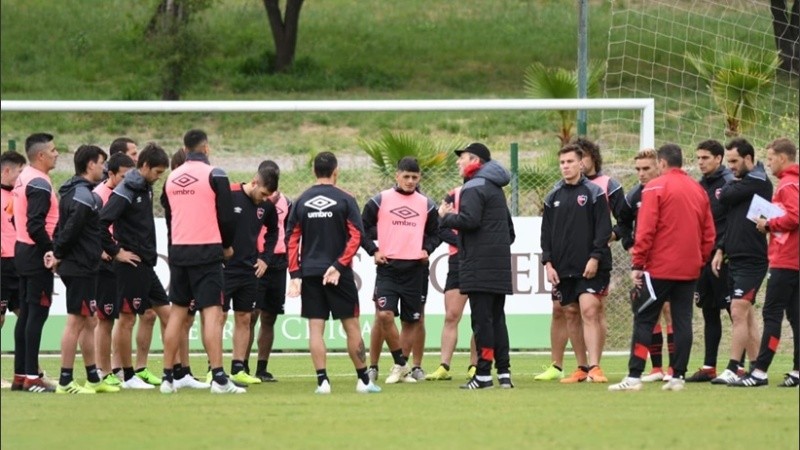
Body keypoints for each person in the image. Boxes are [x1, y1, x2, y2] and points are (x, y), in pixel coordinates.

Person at [609, 143, 715, 392]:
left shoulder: (655, 187)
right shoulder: (698, 189)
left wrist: (638, 263)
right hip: (689, 268)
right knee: (682, 320)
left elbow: (646, 229)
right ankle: (678, 376)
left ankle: (634, 376)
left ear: (662, 163)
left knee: (644, 318)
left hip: (659, 268)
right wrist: (699, 260)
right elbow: (709, 233)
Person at [285, 151, 381, 394]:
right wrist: (338, 266)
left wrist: (295, 274)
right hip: (340, 274)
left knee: (315, 328)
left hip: (310, 273)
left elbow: (291, 239)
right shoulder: (345, 199)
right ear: (336, 171)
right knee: (352, 327)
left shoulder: (301, 200)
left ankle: (323, 382)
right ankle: (363, 381)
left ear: (314, 171)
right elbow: (356, 236)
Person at [161, 129, 242, 394]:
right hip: (207, 250)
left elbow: (170, 217)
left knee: (177, 312)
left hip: (179, 251)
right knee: (212, 313)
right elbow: (227, 216)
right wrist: (227, 245)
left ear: (185, 150)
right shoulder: (215, 174)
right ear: (206, 148)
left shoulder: (171, 178)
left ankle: (167, 378)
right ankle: (219, 378)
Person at [535, 138, 621, 382]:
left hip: (591, 266)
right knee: (571, 313)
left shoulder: (594, 193)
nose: (565, 166)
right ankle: (582, 367)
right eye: (562, 162)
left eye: (570, 161)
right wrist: (548, 264)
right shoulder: (553, 196)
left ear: (581, 164)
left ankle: (595, 366)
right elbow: (546, 234)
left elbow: (603, 229)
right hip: (563, 267)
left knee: (589, 310)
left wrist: (595, 258)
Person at [439, 142, 515, 389]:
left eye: (462, 158)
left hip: (478, 266)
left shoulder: (473, 186)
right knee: (497, 319)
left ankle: (483, 374)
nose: (458, 162)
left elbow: (469, 221)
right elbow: (510, 232)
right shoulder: (495, 188)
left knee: (482, 322)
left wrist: (445, 217)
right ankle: (504, 373)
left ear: (475, 161)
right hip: (498, 266)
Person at [99, 143, 172, 390]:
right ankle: (128, 376)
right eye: (157, 172)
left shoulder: (145, 186)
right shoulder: (126, 190)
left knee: (167, 315)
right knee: (127, 319)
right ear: (145, 166)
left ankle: (177, 372)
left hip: (146, 264)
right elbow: (100, 223)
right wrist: (116, 252)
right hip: (130, 265)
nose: (158, 177)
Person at [361, 157, 439, 384]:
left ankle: (399, 368)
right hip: (388, 268)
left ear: (420, 177)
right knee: (383, 315)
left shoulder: (427, 204)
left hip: (415, 269)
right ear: (397, 176)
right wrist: (373, 250)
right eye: (406, 176)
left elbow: (437, 233)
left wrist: (427, 249)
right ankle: (396, 364)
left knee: (411, 320)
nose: (410, 181)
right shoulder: (380, 200)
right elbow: (361, 228)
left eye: (415, 177)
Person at [50, 145, 119, 394]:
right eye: (101, 163)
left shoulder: (76, 191)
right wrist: (58, 253)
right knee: (76, 322)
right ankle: (65, 381)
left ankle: (93, 378)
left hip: (83, 265)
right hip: (79, 267)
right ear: (90, 165)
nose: (104, 168)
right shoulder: (83, 196)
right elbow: (70, 230)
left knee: (90, 321)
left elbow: (62, 228)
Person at [731, 138, 798, 388]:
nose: (768, 163)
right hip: (794, 259)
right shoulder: (793, 182)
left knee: (772, 314)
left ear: (782, 158)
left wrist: (768, 224)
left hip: (786, 259)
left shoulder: (788, 184)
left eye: (770, 158)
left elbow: (794, 216)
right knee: (796, 316)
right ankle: (797, 370)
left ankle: (759, 371)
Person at [710, 138, 773, 385]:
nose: (731, 167)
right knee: (746, 316)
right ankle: (756, 370)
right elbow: (731, 218)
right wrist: (720, 249)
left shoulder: (758, 181)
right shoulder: (744, 182)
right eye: (729, 162)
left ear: (748, 158)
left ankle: (733, 367)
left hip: (752, 259)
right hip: (735, 257)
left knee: (737, 311)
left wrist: (731, 185)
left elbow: (723, 195)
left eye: (735, 161)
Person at [617, 149, 672, 383]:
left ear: (659, 166)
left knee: (669, 309)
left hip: (668, 260)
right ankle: (656, 368)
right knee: (650, 311)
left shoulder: (668, 191)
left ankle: (674, 369)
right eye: (638, 169)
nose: (641, 173)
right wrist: (630, 245)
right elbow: (622, 222)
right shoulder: (633, 196)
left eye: (646, 168)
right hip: (644, 263)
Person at [11, 133, 60, 393]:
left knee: (27, 314)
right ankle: (32, 377)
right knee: (36, 315)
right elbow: (35, 224)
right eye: (53, 150)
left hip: (22, 250)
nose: (56, 153)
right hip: (35, 253)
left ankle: (20, 375)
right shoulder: (39, 183)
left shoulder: (24, 177)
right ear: (40, 155)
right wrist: (50, 249)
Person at [221, 165, 277, 386]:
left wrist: (265, 258)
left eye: (268, 196)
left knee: (245, 317)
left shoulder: (267, 205)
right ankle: (213, 369)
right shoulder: (229, 194)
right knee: (218, 317)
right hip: (224, 269)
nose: (264, 199)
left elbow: (274, 232)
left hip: (249, 269)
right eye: (263, 193)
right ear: (254, 182)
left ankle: (238, 368)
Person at [685, 139, 736, 382]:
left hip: (723, 257)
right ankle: (709, 366)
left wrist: (721, 248)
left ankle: (739, 366)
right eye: (698, 158)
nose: (700, 162)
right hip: (703, 258)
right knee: (709, 310)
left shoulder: (729, 183)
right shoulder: (698, 186)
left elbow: (733, 222)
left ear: (718, 158)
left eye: (705, 158)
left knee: (735, 311)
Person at [426, 184, 479, 381]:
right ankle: (444, 366)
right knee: (451, 315)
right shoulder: (453, 194)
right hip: (458, 261)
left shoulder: (488, 191)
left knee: (480, 316)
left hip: (481, 260)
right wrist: (464, 244)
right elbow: (441, 227)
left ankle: (475, 365)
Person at [93, 152, 135, 387]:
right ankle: (103, 370)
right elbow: (93, 227)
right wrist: (104, 250)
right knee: (105, 319)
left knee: (122, 317)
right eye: (124, 176)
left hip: (119, 263)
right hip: (105, 263)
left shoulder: (125, 192)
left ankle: (116, 368)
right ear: (111, 173)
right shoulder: (100, 195)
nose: (128, 180)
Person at [247, 159, 288, 382]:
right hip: (256, 261)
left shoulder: (287, 203)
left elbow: (289, 232)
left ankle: (262, 368)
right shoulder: (251, 200)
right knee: (250, 315)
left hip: (278, 263)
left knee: (269, 317)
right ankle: (241, 366)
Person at [0, 150, 27, 389]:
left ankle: (29, 370)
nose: (22, 176)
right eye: (20, 172)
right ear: (7, 170)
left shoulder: (20, 194)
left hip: (20, 263)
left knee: (27, 316)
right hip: (2, 264)